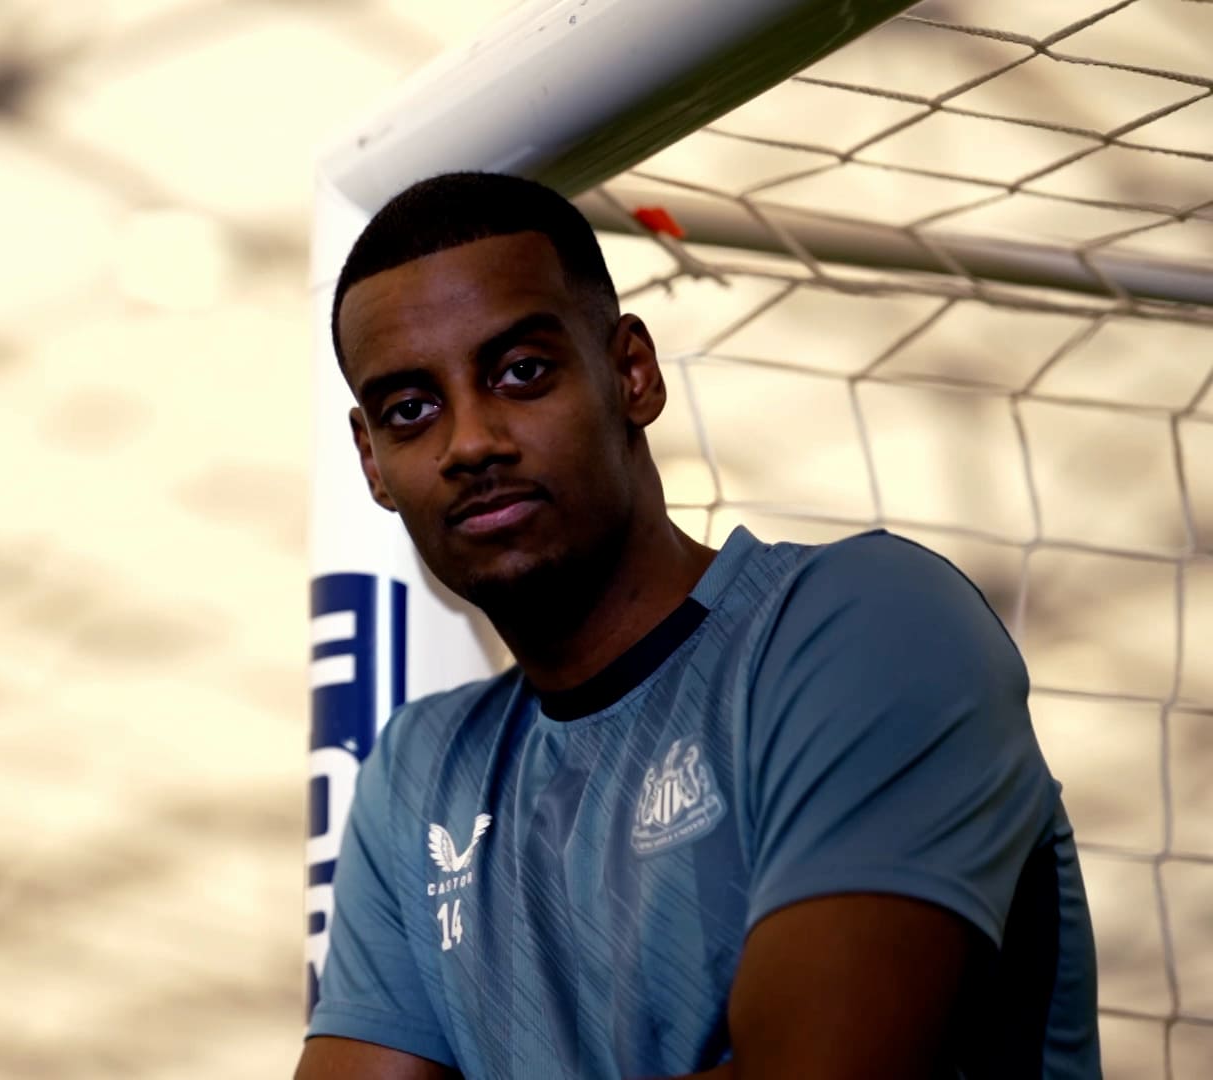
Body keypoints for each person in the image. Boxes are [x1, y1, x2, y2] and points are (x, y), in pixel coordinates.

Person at [295, 172, 1100, 1080]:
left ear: (631, 374)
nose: (472, 441)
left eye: (521, 372)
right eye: (412, 411)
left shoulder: (865, 628)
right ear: (373, 462)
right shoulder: (421, 772)